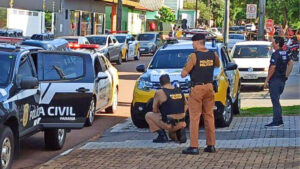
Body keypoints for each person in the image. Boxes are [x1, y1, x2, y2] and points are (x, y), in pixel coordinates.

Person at [181, 34, 220, 154]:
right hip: (209, 87)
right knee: (209, 116)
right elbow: (217, 65)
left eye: (193, 43)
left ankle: (194, 146)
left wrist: (185, 68)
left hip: (197, 88)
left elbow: (184, 73)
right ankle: (211, 145)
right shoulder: (213, 54)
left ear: (198, 42)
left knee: (195, 117)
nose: (193, 45)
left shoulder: (194, 56)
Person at [145, 74, 187, 143]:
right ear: (170, 81)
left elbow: (154, 110)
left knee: (148, 115)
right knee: (172, 137)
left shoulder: (160, 92)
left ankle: (162, 136)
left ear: (160, 83)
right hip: (182, 121)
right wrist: (182, 113)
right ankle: (178, 133)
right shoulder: (179, 91)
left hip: (169, 123)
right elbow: (187, 104)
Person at [264, 37, 294, 127]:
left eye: (273, 42)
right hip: (282, 80)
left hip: (275, 80)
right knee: (276, 100)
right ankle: (278, 120)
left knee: (275, 101)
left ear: (277, 43)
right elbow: (291, 63)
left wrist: (267, 80)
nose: (272, 43)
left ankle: (277, 121)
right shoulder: (285, 53)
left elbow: (272, 68)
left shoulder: (275, 54)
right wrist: (286, 75)